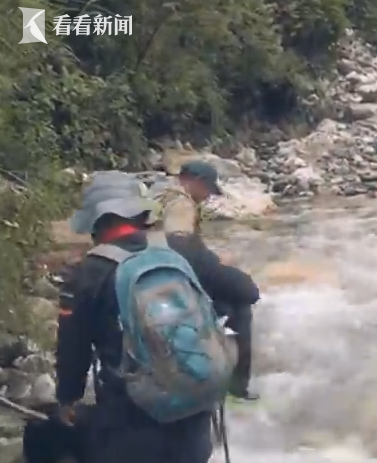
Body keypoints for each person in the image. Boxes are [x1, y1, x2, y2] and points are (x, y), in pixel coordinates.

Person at [57, 172, 260, 463]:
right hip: (194, 412)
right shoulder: (183, 249)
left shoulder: (86, 273)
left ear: (95, 222)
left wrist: (67, 401)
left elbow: (72, 353)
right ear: (141, 212)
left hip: (130, 423)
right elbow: (247, 292)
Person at [154, 160, 257, 400]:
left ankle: (219, 378)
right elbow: (181, 247)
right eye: (208, 189)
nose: (208, 196)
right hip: (176, 278)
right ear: (196, 181)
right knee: (244, 299)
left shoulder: (158, 197)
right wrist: (221, 271)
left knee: (228, 305)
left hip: (157, 277)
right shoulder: (180, 203)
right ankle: (236, 388)